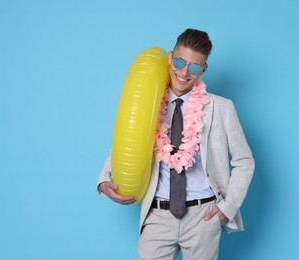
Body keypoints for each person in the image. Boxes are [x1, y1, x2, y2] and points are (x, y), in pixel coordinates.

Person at [97, 28, 255, 260]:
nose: (183, 72)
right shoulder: (149, 102)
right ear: (170, 57)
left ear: (203, 69)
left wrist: (227, 208)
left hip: (204, 215)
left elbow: (244, 161)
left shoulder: (221, 108)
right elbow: (127, 140)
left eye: (193, 67)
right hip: (157, 214)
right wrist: (104, 181)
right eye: (179, 62)